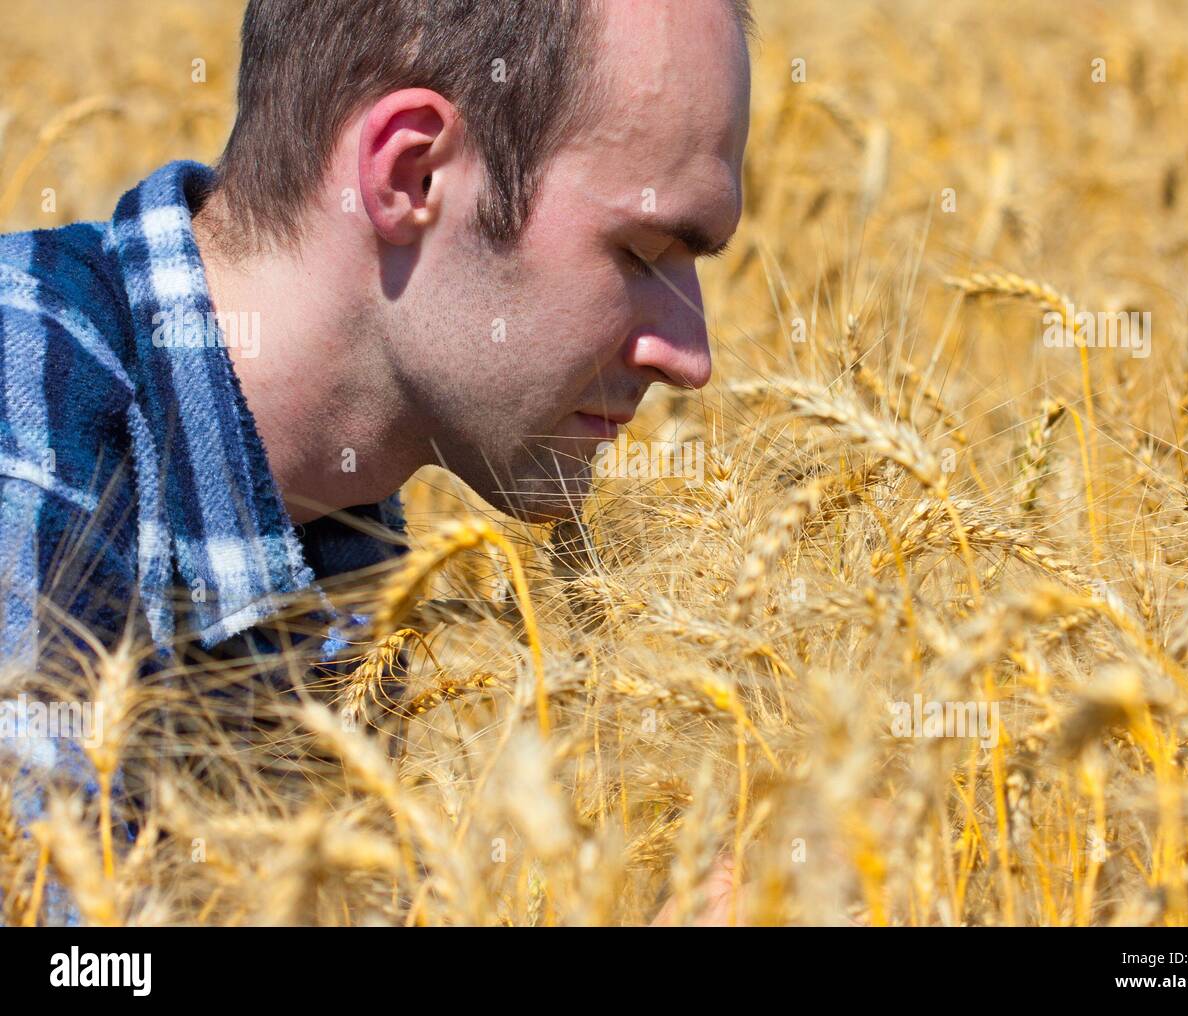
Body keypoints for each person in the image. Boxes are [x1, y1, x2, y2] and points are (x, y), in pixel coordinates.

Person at [0, 0, 753, 924]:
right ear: (410, 173)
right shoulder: (25, 442)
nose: (692, 355)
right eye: (643, 252)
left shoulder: (347, 531)